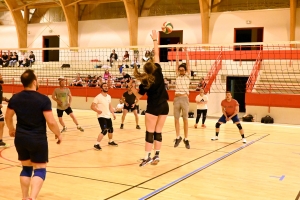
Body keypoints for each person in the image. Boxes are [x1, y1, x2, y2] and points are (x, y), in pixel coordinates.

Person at [4, 69, 62, 200]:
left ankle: (25, 197)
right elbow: (51, 122)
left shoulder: (15, 97)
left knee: (26, 168)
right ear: (34, 81)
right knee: (40, 169)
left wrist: (11, 129)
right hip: (37, 139)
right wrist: (58, 134)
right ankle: (32, 198)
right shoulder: (43, 99)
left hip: (20, 138)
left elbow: (8, 116)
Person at [128, 30, 169, 167]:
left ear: (145, 70)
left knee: (149, 132)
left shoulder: (145, 82)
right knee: (158, 131)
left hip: (153, 107)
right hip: (164, 106)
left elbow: (139, 96)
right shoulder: (158, 69)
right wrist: (155, 40)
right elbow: (156, 54)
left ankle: (147, 157)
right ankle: (157, 155)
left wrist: (131, 87)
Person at [91, 83, 118, 150]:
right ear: (101, 88)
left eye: (106, 86)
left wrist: (113, 113)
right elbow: (92, 106)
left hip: (108, 116)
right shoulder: (98, 97)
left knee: (111, 129)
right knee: (104, 130)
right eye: (104, 86)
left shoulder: (109, 96)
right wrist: (97, 111)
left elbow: (110, 106)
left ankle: (110, 141)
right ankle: (96, 144)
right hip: (101, 116)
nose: (106, 87)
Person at [173, 45, 191, 149]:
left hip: (184, 98)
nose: (181, 71)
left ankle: (186, 138)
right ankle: (178, 137)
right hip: (176, 98)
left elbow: (188, 64)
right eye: (180, 70)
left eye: (182, 70)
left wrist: (186, 51)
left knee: (185, 119)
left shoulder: (187, 75)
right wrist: (177, 51)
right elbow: (176, 63)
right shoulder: (177, 75)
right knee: (176, 119)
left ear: (185, 70)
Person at [0, 73, 9, 147]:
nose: (2, 77)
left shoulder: (0, 86)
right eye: (0, 76)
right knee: (1, 123)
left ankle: (0, 141)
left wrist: (6, 99)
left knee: (1, 123)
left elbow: (0, 97)